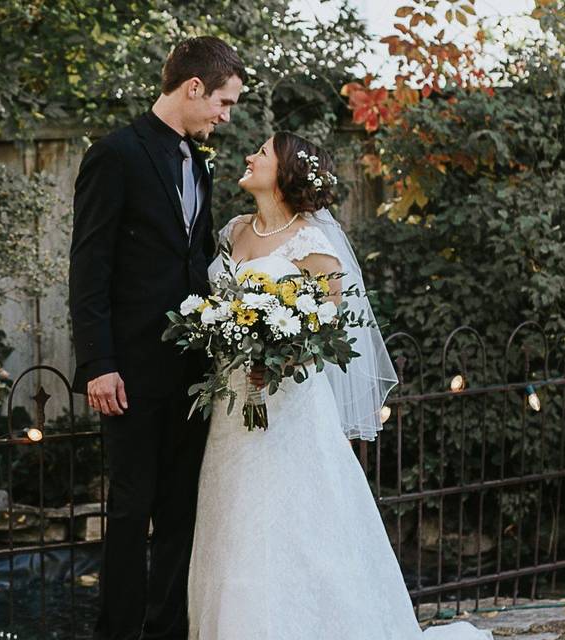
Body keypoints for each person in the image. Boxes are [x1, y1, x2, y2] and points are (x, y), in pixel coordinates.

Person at [187, 131, 493, 640]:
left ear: (284, 173)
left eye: (261, 153)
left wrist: (277, 357)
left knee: (299, 524)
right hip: (234, 405)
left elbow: (329, 331)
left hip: (290, 410)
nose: (250, 157)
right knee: (232, 522)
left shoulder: (313, 242)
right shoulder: (233, 231)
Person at [68, 36, 245, 640]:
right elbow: (89, 267)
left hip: (193, 369)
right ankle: (117, 633)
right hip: (130, 370)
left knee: (180, 511)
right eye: (223, 103)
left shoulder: (199, 161)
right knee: (129, 507)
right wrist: (98, 363)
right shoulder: (114, 154)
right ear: (192, 88)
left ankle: (167, 630)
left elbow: (196, 258)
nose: (225, 116)